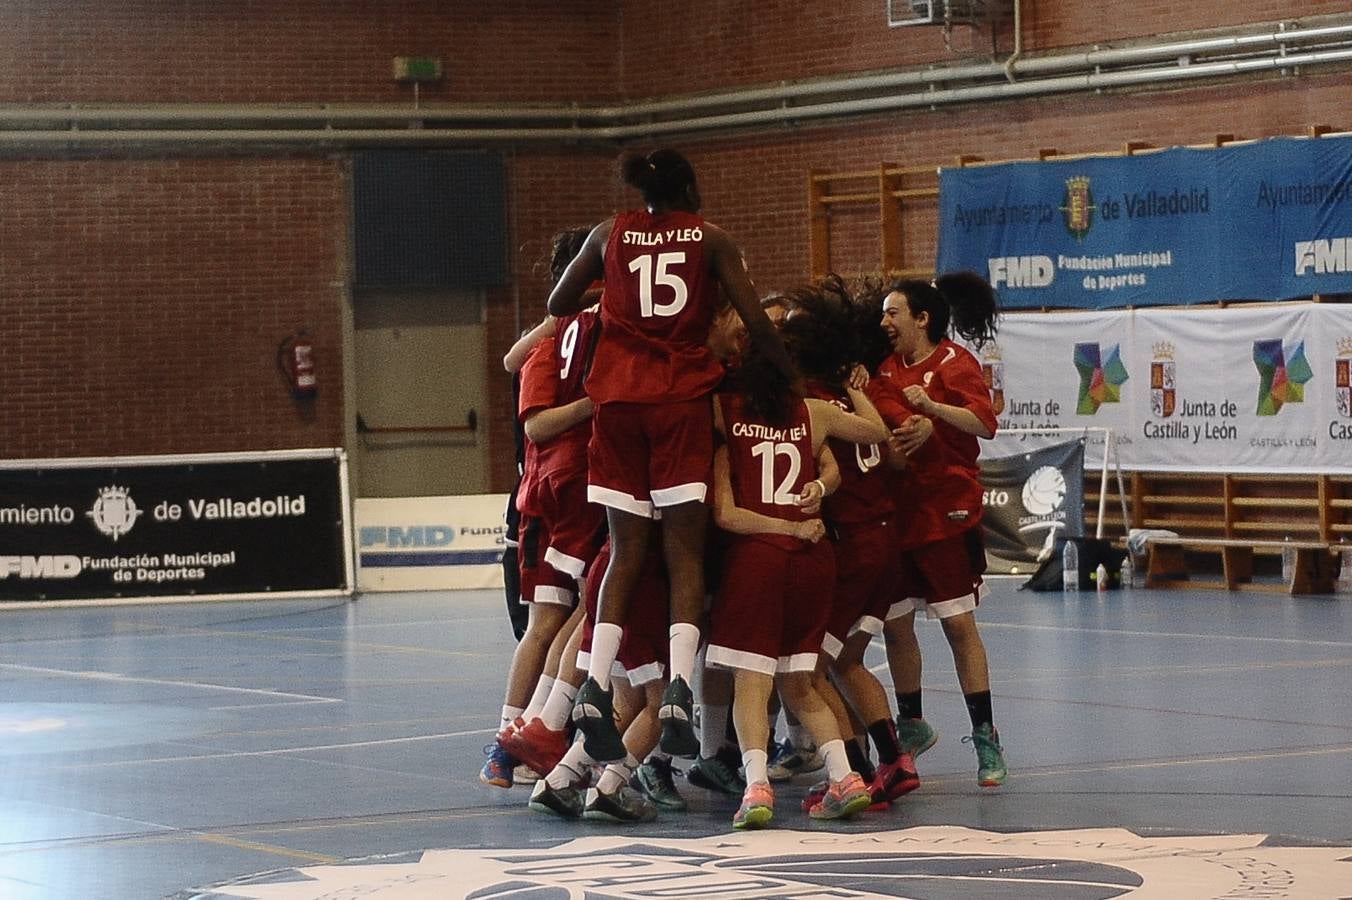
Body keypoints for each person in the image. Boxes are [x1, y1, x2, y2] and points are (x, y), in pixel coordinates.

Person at [547, 149, 792, 764]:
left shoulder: (609, 233)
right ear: (690, 185)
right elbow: (755, 320)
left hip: (618, 402)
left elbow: (558, 302)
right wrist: (788, 375)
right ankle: (681, 687)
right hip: (680, 398)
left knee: (626, 549)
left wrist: (615, 303)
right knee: (684, 550)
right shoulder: (710, 239)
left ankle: (595, 686)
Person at [706, 332, 890, 829]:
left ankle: (756, 787)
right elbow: (876, 433)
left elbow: (725, 514)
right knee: (801, 683)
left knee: (752, 682)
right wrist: (853, 387)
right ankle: (844, 777)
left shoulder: (724, 413)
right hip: (813, 558)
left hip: (759, 557)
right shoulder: (815, 411)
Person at [870, 272, 1008, 788]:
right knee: (895, 624)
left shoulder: (954, 362)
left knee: (957, 626)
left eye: (893, 312)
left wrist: (933, 413)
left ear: (921, 318)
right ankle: (912, 724)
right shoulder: (882, 370)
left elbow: (984, 423)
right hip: (898, 514)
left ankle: (987, 738)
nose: (884, 321)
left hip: (946, 512)